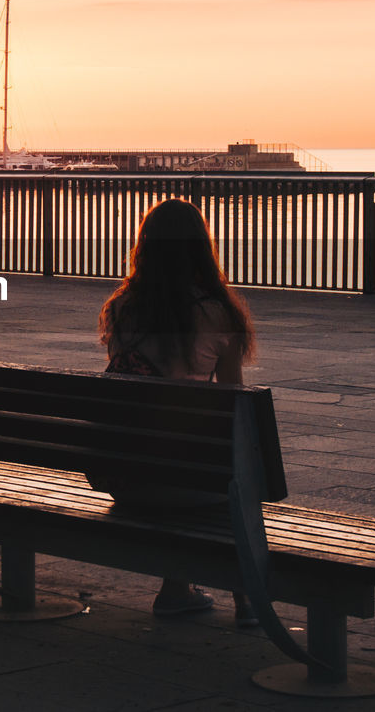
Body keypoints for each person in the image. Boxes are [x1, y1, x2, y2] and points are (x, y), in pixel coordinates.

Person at [96, 197, 258, 624]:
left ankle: (175, 589)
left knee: (170, 456)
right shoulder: (217, 312)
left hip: (123, 476)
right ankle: (247, 601)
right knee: (227, 475)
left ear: (144, 246)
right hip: (186, 483)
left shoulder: (121, 307)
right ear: (202, 248)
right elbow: (232, 407)